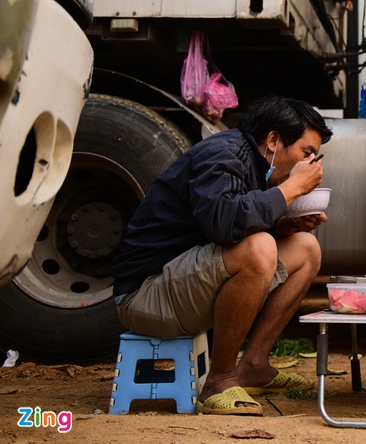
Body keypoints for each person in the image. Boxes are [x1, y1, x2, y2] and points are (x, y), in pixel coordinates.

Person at [112, 95, 333, 416]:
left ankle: (254, 365)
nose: (311, 164)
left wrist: (288, 223)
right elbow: (224, 224)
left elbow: (232, 229)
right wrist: (292, 189)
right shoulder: (223, 154)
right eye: (307, 153)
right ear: (273, 140)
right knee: (259, 249)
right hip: (144, 295)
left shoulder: (254, 164)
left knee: (306, 249)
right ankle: (220, 380)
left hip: (182, 284)